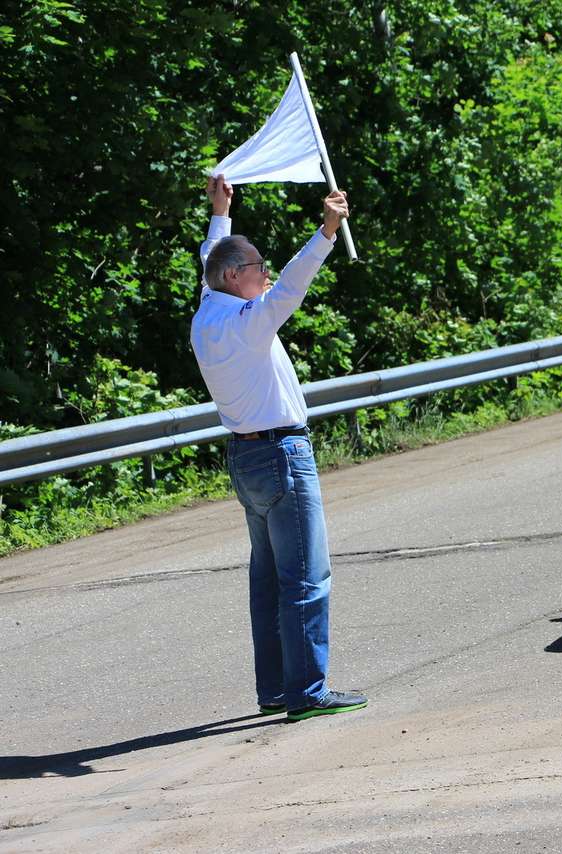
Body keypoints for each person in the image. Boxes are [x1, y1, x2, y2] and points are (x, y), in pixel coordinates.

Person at [191, 174, 366, 722]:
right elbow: (292, 286)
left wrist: (221, 213)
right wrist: (327, 231)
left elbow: (208, 261)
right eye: (258, 269)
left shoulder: (207, 311)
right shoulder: (248, 322)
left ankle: (275, 688)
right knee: (306, 576)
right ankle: (308, 692)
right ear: (235, 276)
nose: (266, 277)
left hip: (245, 458)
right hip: (283, 455)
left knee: (267, 579)